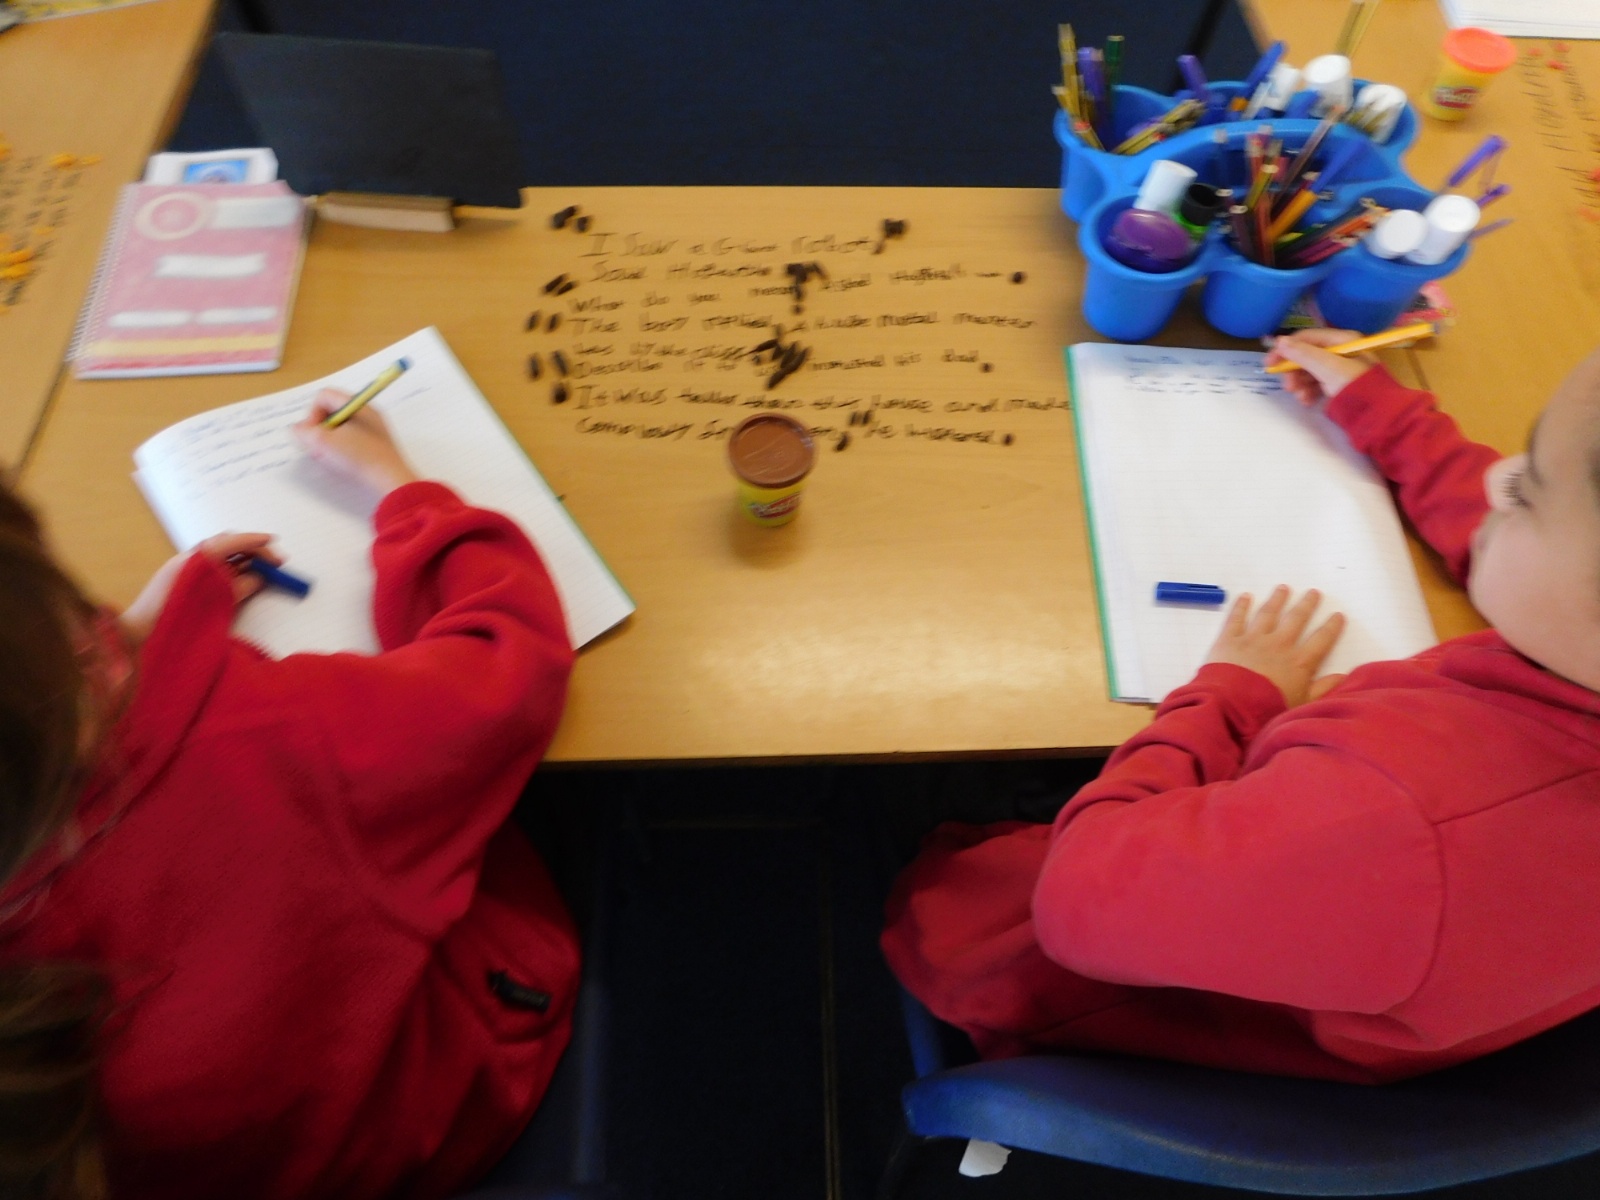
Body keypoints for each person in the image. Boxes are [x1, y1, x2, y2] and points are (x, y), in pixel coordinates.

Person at [882, 329, 1600, 1084]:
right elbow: (1541, 558)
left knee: (937, 884)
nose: (1496, 480)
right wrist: (1390, 419)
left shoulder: (1401, 826)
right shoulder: (1568, 642)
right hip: (1338, 946)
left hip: (1078, 981)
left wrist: (1228, 697)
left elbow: (1077, 898)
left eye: (1524, 492)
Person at [0, 391, 579, 1199]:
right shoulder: (272, 739)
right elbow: (508, 663)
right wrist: (407, 493)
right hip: (418, 1109)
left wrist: (139, 636)